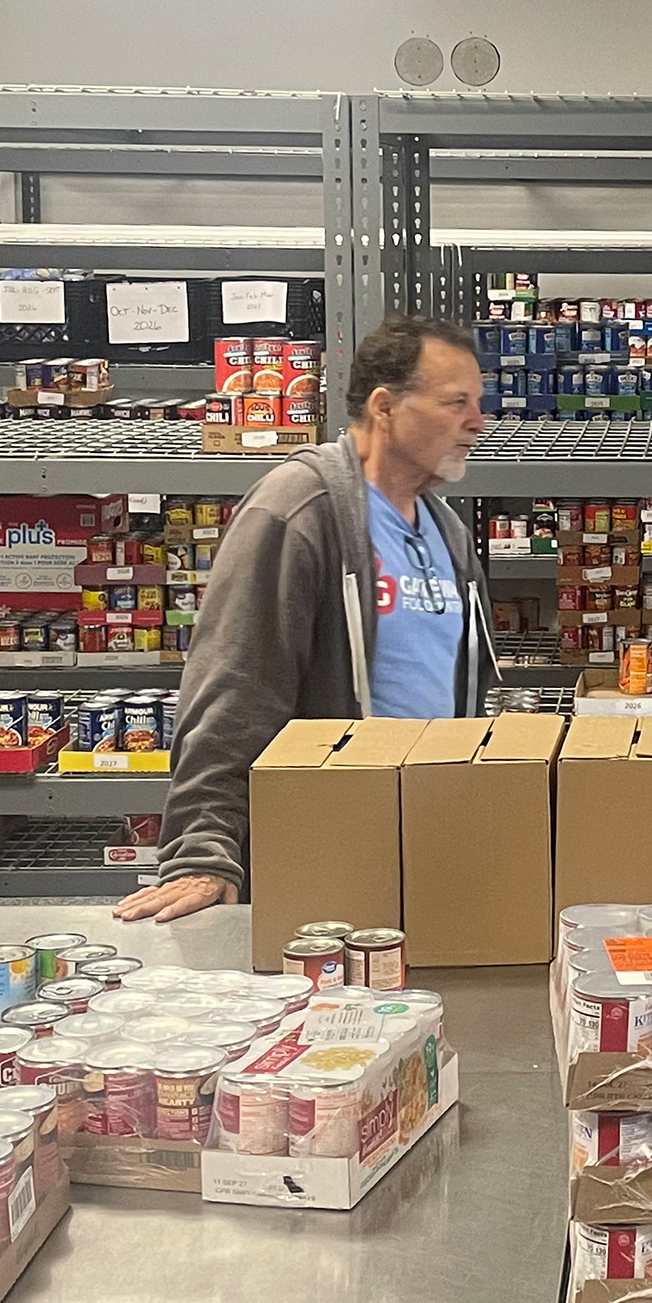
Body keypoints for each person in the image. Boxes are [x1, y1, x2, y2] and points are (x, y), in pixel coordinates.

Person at [118, 314, 493, 922]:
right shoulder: (301, 511)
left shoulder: (444, 529)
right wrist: (202, 853)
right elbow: (233, 685)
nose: (477, 423)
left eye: (477, 403)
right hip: (327, 840)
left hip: (425, 839)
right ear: (385, 407)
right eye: (456, 403)